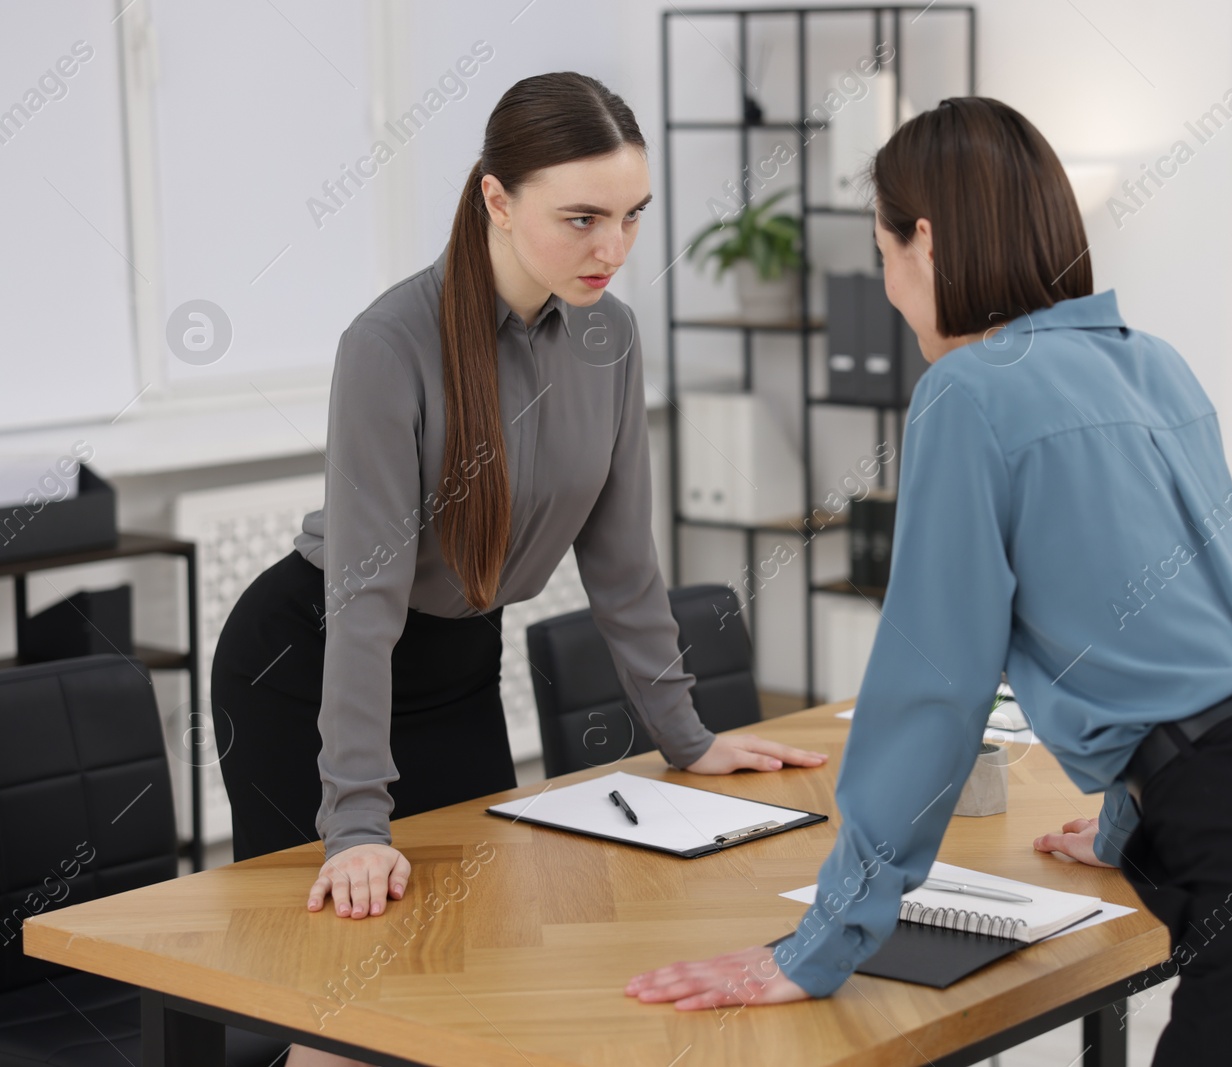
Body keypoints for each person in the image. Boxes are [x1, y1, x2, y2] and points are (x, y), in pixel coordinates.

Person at [625, 96, 1232, 1066]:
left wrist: (823, 938)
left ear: (922, 241)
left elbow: (932, 689)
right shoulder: (1154, 364)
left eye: (879, 250)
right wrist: (1131, 815)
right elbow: (1216, 630)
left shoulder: (968, 393)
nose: (882, 285)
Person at [212, 72, 826, 1067]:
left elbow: (625, 564)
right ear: (496, 198)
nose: (612, 248)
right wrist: (356, 820)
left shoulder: (609, 337)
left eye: (632, 216)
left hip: (455, 667)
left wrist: (685, 735)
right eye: (581, 218)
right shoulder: (389, 343)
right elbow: (364, 599)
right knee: (335, 1002)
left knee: (480, 964)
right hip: (310, 662)